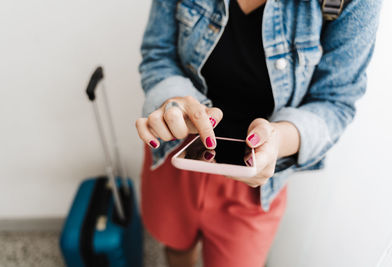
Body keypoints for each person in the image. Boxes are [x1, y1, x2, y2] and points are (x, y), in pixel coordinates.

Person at [135, 0, 381, 266]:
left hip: (257, 181)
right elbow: (158, 53)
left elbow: (335, 100)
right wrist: (173, 103)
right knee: (175, 249)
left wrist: (276, 139)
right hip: (178, 153)